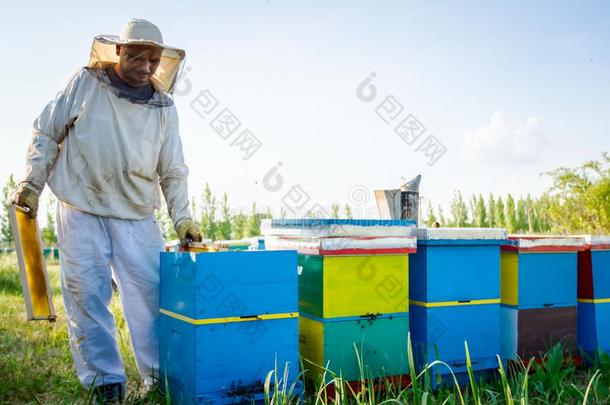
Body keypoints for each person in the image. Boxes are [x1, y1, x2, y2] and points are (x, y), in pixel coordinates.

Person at [12, 18, 202, 403]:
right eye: (137, 56)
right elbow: (47, 131)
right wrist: (31, 184)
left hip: (136, 214)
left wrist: (182, 218)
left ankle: (158, 379)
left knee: (150, 298)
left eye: (152, 60)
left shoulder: (165, 108)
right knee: (87, 294)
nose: (145, 66)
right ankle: (104, 383)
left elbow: (173, 169)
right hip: (81, 207)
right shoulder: (85, 83)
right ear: (119, 51)